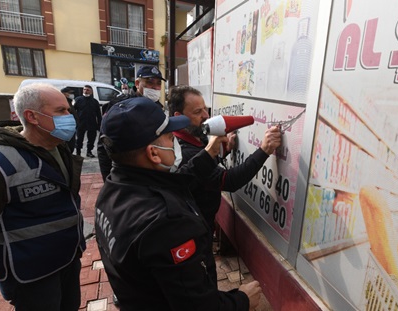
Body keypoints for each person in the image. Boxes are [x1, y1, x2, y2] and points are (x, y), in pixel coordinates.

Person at [95, 97, 262, 310]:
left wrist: (209, 153)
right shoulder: (167, 224)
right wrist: (242, 300)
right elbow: (198, 306)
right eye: (168, 136)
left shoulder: (113, 189)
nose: (174, 141)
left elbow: (178, 181)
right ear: (153, 153)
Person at [0, 83, 86, 310]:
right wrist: (11, 249)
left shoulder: (59, 148)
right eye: (61, 111)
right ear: (32, 116)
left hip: (67, 259)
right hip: (30, 275)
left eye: (68, 110)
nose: (69, 116)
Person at [167, 85, 282, 230]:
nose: (206, 116)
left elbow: (204, 172)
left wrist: (223, 152)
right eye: (198, 112)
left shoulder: (191, 137)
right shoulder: (183, 154)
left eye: (205, 108)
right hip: (195, 229)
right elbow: (229, 180)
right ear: (179, 117)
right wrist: (265, 150)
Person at [97, 65, 166, 180]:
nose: (155, 87)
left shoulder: (158, 108)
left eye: (158, 83)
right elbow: (104, 145)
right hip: (126, 172)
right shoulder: (120, 106)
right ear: (137, 83)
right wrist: (109, 179)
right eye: (150, 82)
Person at [73, 85, 101, 157]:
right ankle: (78, 152)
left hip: (92, 123)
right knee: (79, 139)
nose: (85, 91)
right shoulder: (78, 100)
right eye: (84, 89)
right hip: (80, 123)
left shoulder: (94, 102)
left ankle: (89, 151)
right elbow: (73, 111)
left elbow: (98, 114)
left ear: (91, 91)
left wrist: (99, 124)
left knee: (91, 139)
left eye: (88, 90)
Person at [61, 87, 78, 154]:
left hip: (71, 128)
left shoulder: (69, 102)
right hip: (67, 128)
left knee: (71, 145)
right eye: (70, 93)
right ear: (64, 94)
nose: (72, 94)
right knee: (68, 146)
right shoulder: (63, 103)